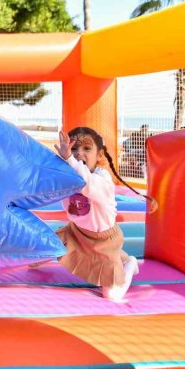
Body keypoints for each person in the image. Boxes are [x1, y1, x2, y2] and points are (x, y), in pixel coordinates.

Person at [54, 127, 155, 302]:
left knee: (112, 296)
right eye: (74, 148)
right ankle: (120, 258)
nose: (78, 153)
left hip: (103, 241)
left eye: (86, 148)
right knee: (40, 250)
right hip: (76, 233)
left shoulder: (102, 179)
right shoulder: (68, 176)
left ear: (99, 155)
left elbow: (87, 183)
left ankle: (129, 264)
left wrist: (69, 159)